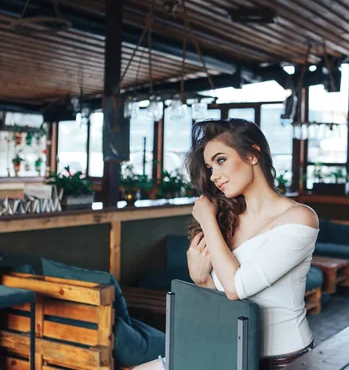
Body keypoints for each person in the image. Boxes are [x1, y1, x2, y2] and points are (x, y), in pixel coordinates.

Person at [135, 118, 319, 370]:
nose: (215, 176)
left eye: (221, 160)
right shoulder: (228, 218)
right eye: (210, 167)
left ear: (253, 154)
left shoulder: (300, 218)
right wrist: (202, 280)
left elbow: (236, 288)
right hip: (226, 347)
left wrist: (207, 220)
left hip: (280, 360)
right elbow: (222, 301)